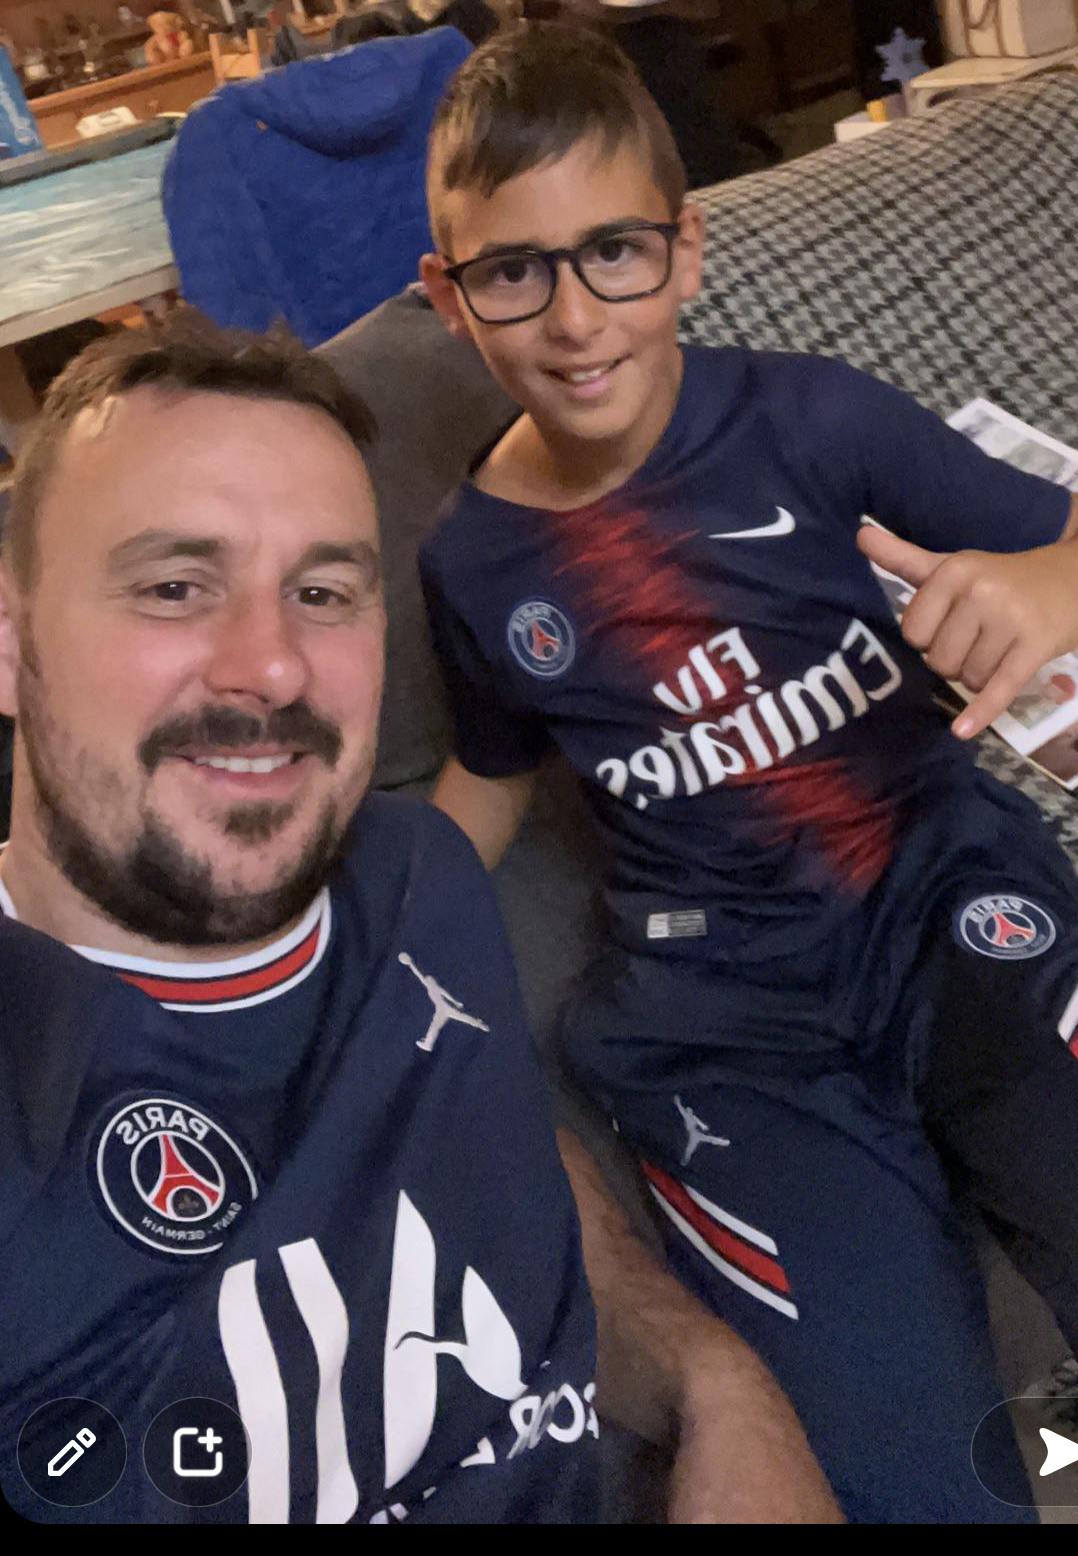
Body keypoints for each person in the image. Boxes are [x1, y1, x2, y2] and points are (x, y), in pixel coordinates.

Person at [416, 22, 1078, 1523]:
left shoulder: (813, 418)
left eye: (614, 252)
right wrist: (367, 919)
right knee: (912, 1478)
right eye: (513, 272)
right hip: (725, 1027)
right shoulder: (471, 561)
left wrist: (1065, 582)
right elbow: (490, 771)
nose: (574, 316)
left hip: (951, 906)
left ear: (686, 251)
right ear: (449, 298)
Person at [0, 314, 840, 1524]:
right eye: (176, 586)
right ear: (13, 633)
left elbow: (499, 1157)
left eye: (321, 591)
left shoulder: (417, 871)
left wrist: (719, 1388)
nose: (272, 664)